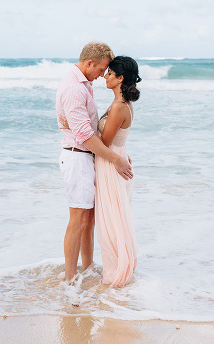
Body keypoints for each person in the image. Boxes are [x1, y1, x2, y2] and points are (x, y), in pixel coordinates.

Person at [56, 43, 133, 283]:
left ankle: (87, 269)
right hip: (77, 156)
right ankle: (70, 278)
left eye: (106, 72)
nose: (102, 75)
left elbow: (85, 128)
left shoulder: (85, 85)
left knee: (88, 220)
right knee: (78, 219)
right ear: (90, 63)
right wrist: (116, 158)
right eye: (101, 69)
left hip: (87, 156)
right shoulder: (74, 89)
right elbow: (85, 135)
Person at [95, 55, 141, 286]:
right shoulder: (124, 105)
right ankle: (116, 266)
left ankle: (114, 272)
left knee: (111, 218)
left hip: (110, 164)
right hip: (116, 159)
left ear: (121, 78)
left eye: (110, 73)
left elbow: (103, 143)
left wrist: (76, 129)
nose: (105, 76)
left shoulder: (118, 107)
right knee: (115, 216)